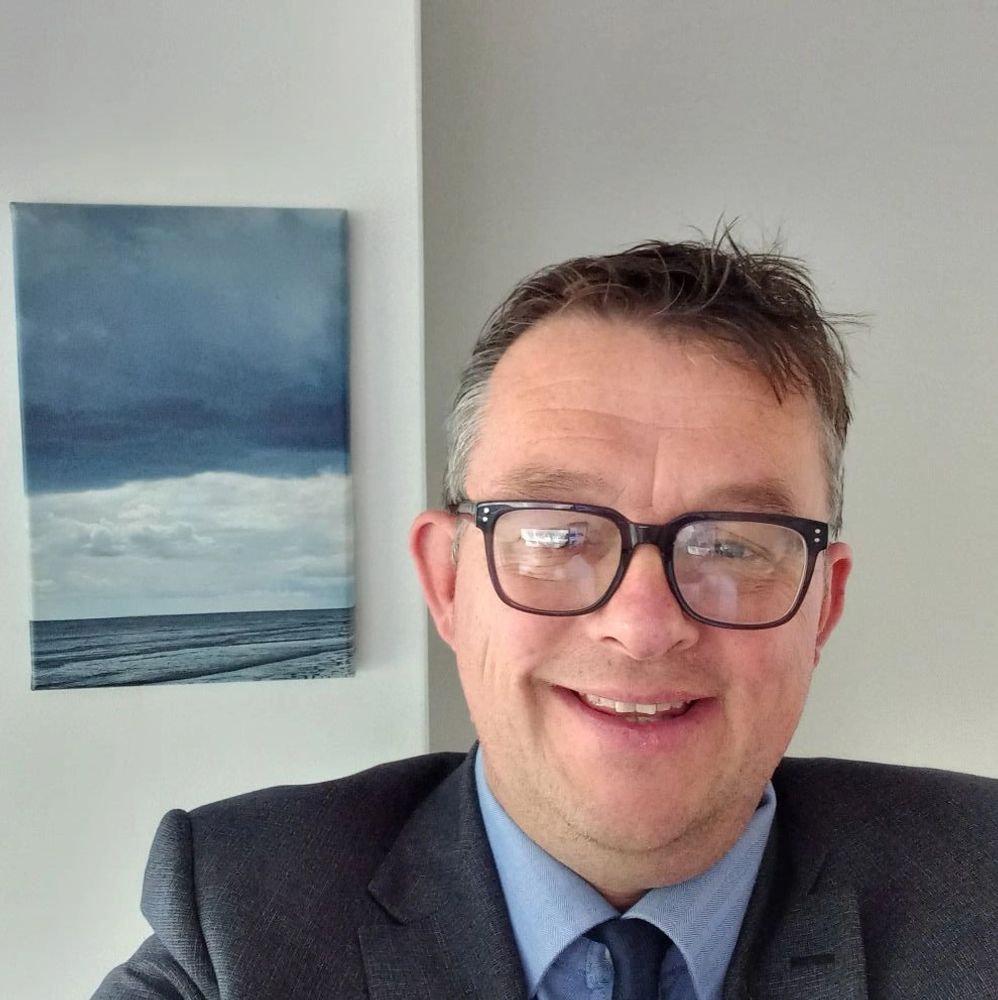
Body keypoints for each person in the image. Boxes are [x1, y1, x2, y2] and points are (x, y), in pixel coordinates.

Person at [94, 237, 997, 1000]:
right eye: (560, 533)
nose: (642, 627)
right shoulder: (240, 921)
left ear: (822, 606)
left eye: (730, 544)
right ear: (448, 580)